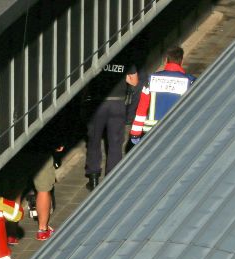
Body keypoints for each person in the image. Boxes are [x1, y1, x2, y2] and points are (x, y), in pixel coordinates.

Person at [82, 53, 139, 191]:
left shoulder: (95, 57)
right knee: (115, 143)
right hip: (117, 104)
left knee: (94, 141)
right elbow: (134, 81)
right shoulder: (125, 58)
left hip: (97, 103)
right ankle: (112, 179)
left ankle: (94, 177)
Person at [129, 46, 196, 144]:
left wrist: (135, 133)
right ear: (181, 61)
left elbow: (142, 108)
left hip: (152, 132)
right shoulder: (190, 81)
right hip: (178, 131)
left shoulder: (151, 80)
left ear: (166, 60)